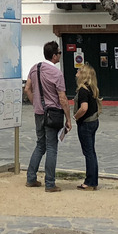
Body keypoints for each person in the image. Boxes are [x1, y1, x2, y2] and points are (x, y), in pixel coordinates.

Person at [24, 40, 71, 192]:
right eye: (59, 53)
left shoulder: (34, 68)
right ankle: (50, 182)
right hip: (53, 113)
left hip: (39, 112)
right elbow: (62, 98)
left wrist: (36, 103)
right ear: (54, 56)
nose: (60, 56)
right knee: (52, 147)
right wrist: (68, 119)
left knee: (40, 145)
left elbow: (27, 89)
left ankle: (31, 177)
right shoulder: (57, 74)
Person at [73, 63, 101, 189]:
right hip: (94, 121)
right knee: (91, 152)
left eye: (79, 71)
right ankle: (93, 180)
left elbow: (84, 108)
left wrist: (76, 116)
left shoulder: (83, 90)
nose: (76, 73)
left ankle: (90, 182)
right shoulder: (92, 88)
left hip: (86, 123)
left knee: (88, 153)